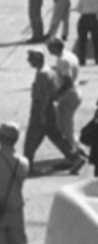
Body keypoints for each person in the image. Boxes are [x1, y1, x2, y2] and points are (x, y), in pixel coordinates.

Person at [46, 38, 87, 174]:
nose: (48, 49)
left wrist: (56, 95)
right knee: (68, 124)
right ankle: (77, 147)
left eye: (50, 47)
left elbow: (67, 81)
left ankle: (71, 156)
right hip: (75, 94)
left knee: (63, 128)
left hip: (68, 96)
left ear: (56, 48)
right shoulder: (69, 56)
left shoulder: (63, 60)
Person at [23, 49, 63, 167]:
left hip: (41, 108)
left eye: (31, 57)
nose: (28, 60)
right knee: (55, 135)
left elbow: (45, 96)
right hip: (48, 108)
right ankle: (74, 158)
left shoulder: (42, 74)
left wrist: (42, 114)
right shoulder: (48, 71)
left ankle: (26, 166)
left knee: (31, 139)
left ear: (38, 58)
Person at [74, 0, 98, 65]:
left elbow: (78, 9)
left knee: (82, 40)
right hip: (94, 18)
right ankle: (97, 59)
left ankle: (82, 60)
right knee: (96, 40)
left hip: (84, 18)